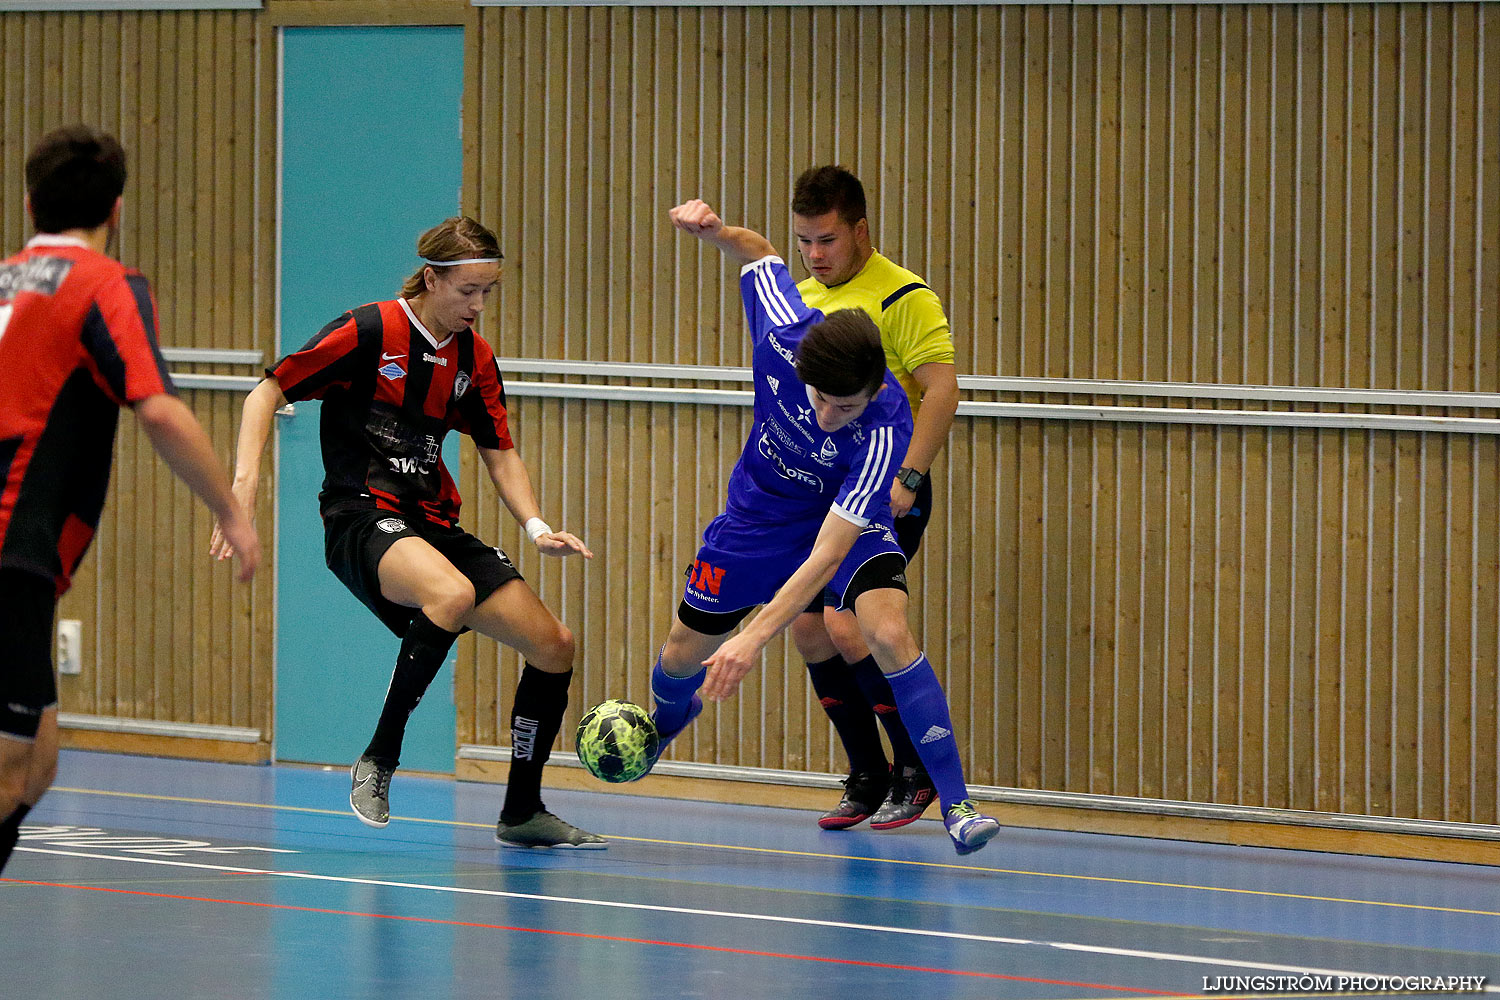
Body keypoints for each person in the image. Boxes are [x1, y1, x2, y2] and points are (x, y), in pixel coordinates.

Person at [210, 216, 602, 849]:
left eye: (488, 292)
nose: (478, 305)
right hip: (359, 515)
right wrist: (245, 488)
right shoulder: (369, 330)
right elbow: (268, 391)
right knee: (449, 594)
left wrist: (536, 526)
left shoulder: (475, 359)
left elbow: (498, 449)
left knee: (555, 644)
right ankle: (380, 758)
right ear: (431, 277)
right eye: (467, 290)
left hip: (432, 521)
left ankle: (522, 811)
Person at [648, 199, 999, 856]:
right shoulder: (785, 333)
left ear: (875, 394)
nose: (832, 414)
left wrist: (752, 638)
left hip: (838, 520)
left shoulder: (884, 431)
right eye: (821, 399)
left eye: (849, 405)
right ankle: (658, 728)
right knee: (678, 654)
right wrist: (714, 230)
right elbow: (759, 253)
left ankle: (957, 805)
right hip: (756, 517)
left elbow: (826, 554)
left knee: (886, 632)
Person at [0, 125, 261, 876]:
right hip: (10, 552)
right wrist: (230, 509)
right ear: (116, 211)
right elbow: (156, 406)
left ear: (28, 204)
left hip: (28, 562)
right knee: (10, 772)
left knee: (38, 761)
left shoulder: (8, 280)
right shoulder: (104, 285)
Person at [787, 166, 962, 831]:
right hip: (820, 494)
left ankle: (915, 769)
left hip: (886, 490)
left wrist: (908, 479)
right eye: (804, 241)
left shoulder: (904, 295)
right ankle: (867, 774)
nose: (815, 255)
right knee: (807, 629)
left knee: (848, 623)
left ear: (860, 231)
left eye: (827, 240)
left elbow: (941, 391)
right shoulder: (801, 299)